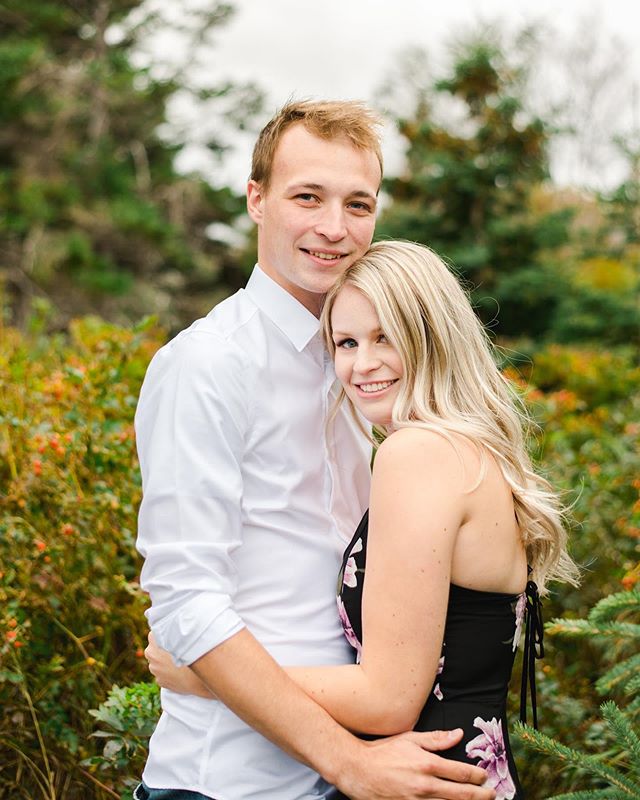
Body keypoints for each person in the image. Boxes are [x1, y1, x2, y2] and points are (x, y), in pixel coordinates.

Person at [134, 101, 496, 800]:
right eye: (308, 197)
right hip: (233, 783)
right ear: (256, 199)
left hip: (359, 772)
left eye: (358, 204)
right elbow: (185, 604)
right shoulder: (209, 364)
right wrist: (348, 761)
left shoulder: (367, 369)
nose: (335, 228)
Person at [146, 241, 580, 800]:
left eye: (385, 338)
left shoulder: (416, 454)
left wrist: (206, 677)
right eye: (345, 343)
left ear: (432, 337)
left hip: (421, 779)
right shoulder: (468, 451)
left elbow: (387, 698)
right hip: (466, 774)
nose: (361, 364)